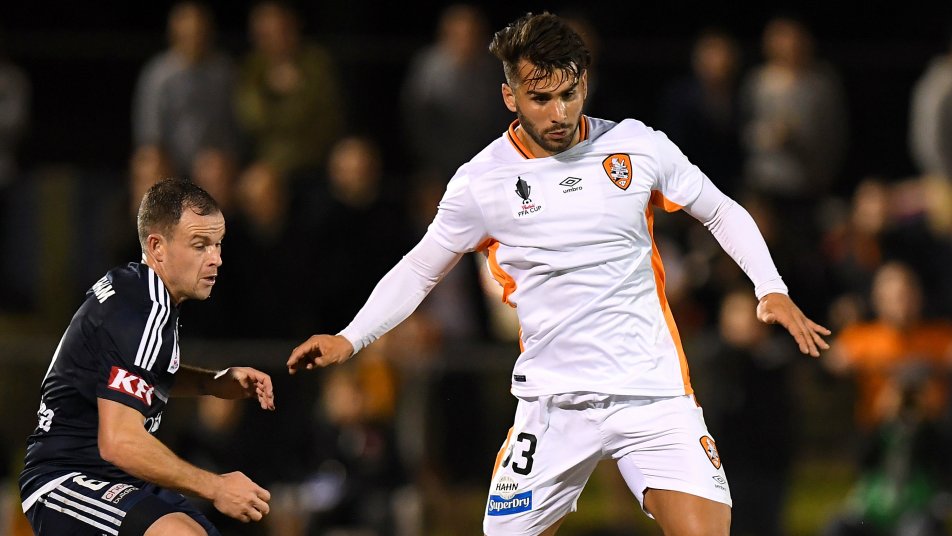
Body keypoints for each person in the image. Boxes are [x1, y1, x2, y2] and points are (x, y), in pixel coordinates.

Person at [287, 12, 830, 535]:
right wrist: (351, 337)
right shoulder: (483, 182)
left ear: (584, 83)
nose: (558, 113)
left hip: (651, 393)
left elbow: (720, 210)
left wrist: (771, 288)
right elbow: (420, 268)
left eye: (568, 94)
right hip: (553, 406)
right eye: (540, 98)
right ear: (510, 97)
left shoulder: (636, 146)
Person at [18, 178, 275, 535]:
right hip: (68, 475)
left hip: (118, 476)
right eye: (200, 245)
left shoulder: (141, 291)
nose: (216, 258)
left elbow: (134, 372)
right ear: (157, 246)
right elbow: (119, 442)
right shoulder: (141, 311)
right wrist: (216, 486)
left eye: (218, 244)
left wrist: (211, 383)